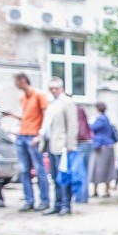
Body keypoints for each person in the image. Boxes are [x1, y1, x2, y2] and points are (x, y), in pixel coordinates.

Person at [40, 77, 78, 216]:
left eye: (56, 88)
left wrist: (70, 144)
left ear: (61, 88)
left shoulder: (67, 102)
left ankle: (65, 205)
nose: (54, 90)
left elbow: (72, 124)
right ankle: (57, 204)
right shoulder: (51, 103)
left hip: (62, 145)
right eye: (52, 88)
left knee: (64, 177)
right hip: (51, 144)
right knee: (55, 176)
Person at [13, 73, 50, 212]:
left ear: (22, 81)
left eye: (16, 82)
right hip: (22, 135)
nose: (15, 85)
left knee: (40, 169)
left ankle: (44, 200)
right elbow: (26, 117)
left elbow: (46, 115)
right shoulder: (23, 98)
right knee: (24, 170)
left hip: (33, 136)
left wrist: (41, 134)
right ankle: (29, 200)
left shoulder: (39, 95)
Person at [89, 102, 117, 197]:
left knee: (98, 168)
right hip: (107, 146)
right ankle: (106, 190)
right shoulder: (106, 118)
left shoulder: (100, 118)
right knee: (107, 168)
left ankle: (96, 190)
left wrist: (91, 121)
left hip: (101, 146)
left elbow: (91, 128)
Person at [73, 104, 93, 204]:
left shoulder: (77, 110)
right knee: (83, 171)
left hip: (82, 142)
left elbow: (79, 129)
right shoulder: (80, 109)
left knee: (80, 172)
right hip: (87, 142)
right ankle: (82, 197)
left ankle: (80, 197)